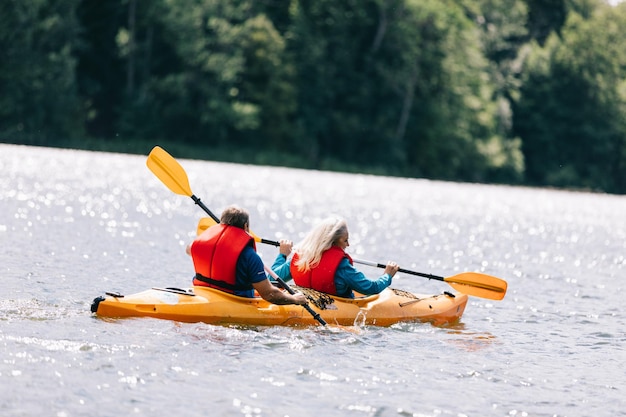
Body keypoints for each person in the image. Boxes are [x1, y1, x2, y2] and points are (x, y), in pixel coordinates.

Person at [187, 205, 307, 306]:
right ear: (245, 226)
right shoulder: (250, 256)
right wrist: (294, 299)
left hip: (203, 293)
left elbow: (189, 249)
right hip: (236, 301)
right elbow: (269, 294)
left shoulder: (198, 244)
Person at [272, 217, 400, 298]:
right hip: (337, 310)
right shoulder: (341, 266)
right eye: (345, 240)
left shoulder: (301, 257)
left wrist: (282, 255)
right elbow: (371, 288)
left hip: (305, 303)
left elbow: (272, 278)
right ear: (332, 242)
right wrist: (387, 275)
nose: (348, 244)